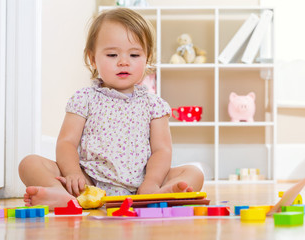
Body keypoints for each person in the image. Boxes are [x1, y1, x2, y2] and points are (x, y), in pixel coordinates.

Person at [18, 8, 204, 210]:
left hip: (141, 185)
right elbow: (66, 142)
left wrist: (151, 181)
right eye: (112, 54)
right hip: (89, 183)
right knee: (30, 163)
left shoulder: (154, 105)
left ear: (147, 57)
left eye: (134, 54)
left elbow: (162, 150)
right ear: (92, 58)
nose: (123, 61)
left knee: (194, 172)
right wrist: (74, 174)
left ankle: (157, 194)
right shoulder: (84, 99)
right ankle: (63, 196)